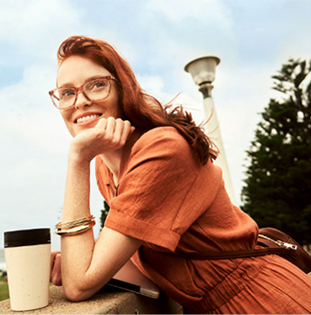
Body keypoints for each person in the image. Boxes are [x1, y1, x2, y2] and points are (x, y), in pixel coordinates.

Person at [48, 35, 311, 314]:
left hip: (261, 302)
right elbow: (137, 249)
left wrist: (78, 159)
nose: (81, 101)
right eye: (67, 92)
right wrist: (80, 260)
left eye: (97, 85)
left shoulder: (160, 149)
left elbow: (78, 286)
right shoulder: (106, 169)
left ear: (122, 89)